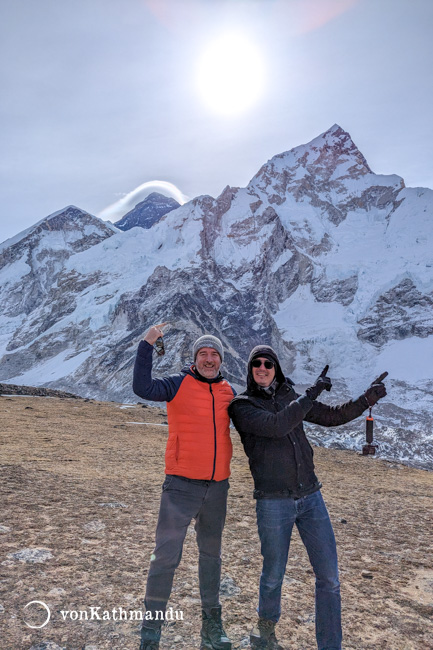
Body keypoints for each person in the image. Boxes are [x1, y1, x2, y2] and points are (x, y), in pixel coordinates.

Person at [228, 345, 387, 650]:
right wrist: (310, 394)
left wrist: (366, 399)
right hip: (273, 501)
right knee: (273, 575)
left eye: (268, 364)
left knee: (329, 578)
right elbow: (277, 426)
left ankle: (330, 645)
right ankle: (264, 636)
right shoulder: (242, 405)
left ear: (277, 368)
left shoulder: (290, 397)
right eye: (256, 364)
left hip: (311, 497)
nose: (262, 368)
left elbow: (332, 416)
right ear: (250, 371)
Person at [133, 323, 235, 650]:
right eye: (203, 354)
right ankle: (151, 633)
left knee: (211, 557)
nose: (208, 359)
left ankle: (212, 628)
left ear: (220, 360)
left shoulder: (228, 392)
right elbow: (142, 387)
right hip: (180, 487)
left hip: (217, 489)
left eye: (214, 354)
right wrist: (147, 344)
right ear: (195, 358)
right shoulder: (178, 384)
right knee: (164, 558)